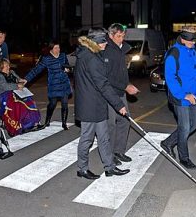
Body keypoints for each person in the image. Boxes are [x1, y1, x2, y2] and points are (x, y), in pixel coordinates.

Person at [75, 28, 130, 180]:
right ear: (95, 42)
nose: (106, 43)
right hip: (90, 105)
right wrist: (119, 104)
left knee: (104, 137)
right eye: (103, 41)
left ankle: (109, 167)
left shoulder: (89, 54)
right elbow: (103, 84)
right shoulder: (91, 58)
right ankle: (82, 168)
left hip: (96, 103)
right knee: (87, 138)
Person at [160, 26, 196, 169]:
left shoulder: (192, 50)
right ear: (183, 39)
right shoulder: (173, 53)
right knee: (185, 128)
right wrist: (184, 95)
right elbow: (170, 78)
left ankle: (167, 143)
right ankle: (184, 157)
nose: (194, 43)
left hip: (193, 96)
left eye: (194, 40)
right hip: (180, 97)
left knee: (193, 125)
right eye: (191, 41)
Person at [104, 23, 140, 166]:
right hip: (109, 93)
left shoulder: (121, 49)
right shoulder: (106, 50)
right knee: (110, 125)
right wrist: (126, 86)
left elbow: (120, 73)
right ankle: (110, 155)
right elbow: (107, 77)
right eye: (118, 36)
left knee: (125, 121)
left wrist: (127, 85)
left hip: (120, 92)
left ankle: (119, 151)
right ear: (111, 35)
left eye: (123, 36)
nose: (121, 39)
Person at [24, 41, 72, 130]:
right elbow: (36, 70)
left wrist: (68, 69)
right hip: (54, 85)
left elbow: (68, 66)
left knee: (64, 104)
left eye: (59, 48)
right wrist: (26, 79)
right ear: (51, 50)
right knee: (52, 104)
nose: (58, 50)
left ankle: (64, 124)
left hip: (64, 84)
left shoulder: (62, 56)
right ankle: (47, 121)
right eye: (55, 48)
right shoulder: (46, 59)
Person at [0, 58, 43, 136]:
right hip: (4, 96)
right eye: (6, 66)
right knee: (18, 105)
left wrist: (22, 81)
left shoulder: (12, 72)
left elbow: (19, 80)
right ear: (0, 67)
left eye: (8, 65)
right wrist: (17, 86)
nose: (8, 67)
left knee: (29, 101)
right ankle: (21, 126)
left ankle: (32, 122)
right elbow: (5, 86)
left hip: (15, 93)